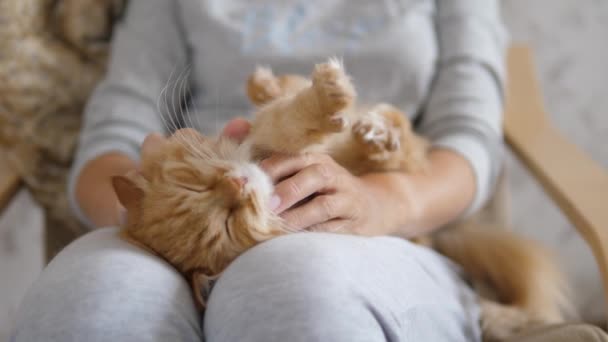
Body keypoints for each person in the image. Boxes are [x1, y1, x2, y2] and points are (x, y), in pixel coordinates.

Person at [12, 1, 507, 341]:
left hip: (384, 223)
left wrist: (382, 201)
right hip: (190, 217)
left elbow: (469, 139)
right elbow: (110, 141)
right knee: (96, 298)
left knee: (288, 285)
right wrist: (166, 219)